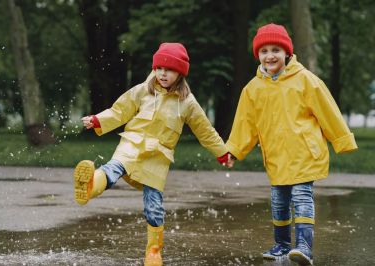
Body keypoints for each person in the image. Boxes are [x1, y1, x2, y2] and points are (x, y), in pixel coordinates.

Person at [74, 42, 231, 266]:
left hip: (158, 157)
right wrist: (98, 119)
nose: (163, 73)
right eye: (159, 68)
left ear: (181, 73)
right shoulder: (142, 90)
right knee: (113, 168)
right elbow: (120, 111)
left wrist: (222, 153)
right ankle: (89, 186)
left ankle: (153, 251)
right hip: (132, 145)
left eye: (169, 70)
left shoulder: (187, 103)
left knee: (154, 205)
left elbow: (205, 130)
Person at [225, 23, 358, 265]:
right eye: (264, 51)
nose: (270, 55)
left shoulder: (305, 80)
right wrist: (234, 150)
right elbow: (245, 123)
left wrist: (342, 140)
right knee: (279, 201)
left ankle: (304, 246)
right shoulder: (252, 89)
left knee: (301, 196)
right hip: (276, 157)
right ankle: (282, 244)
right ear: (258, 55)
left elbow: (328, 110)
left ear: (287, 52)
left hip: (304, 152)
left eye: (276, 49)